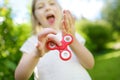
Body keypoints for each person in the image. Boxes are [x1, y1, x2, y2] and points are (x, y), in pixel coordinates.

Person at [15, 0, 95, 80]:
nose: (48, 8)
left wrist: (73, 40)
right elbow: (19, 77)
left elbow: (90, 64)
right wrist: (36, 54)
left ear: (60, 11)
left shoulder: (71, 35)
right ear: (35, 17)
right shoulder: (33, 41)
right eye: (40, 6)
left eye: (52, 3)